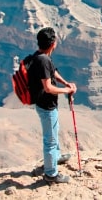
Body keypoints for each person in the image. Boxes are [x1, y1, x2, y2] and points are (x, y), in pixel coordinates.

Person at [29, 27, 77, 184]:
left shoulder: (42, 56)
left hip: (48, 105)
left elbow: (52, 71)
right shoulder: (42, 60)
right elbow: (48, 87)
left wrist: (66, 83)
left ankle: (56, 157)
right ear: (53, 43)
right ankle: (51, 174)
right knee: (50, 140)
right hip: (46, 106)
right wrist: (66, 90)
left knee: (54, 133)